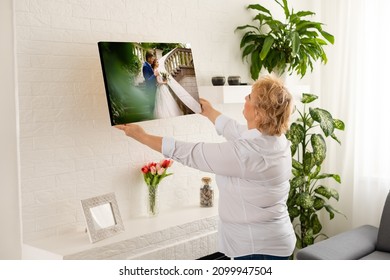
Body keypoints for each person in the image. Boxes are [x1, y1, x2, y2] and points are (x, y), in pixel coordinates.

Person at [116, 75, 296, 260]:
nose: (245, 99)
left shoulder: (249, 153)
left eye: (250, 97)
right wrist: (209, 111)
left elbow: (192, 153)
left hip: (258, 250)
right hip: (270, 241)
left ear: (258, 113)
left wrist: (142, 136)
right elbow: (233, 129)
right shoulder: (273, 139)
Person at [142, 49, 157, 114]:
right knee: (152, 105)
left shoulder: (149, 65)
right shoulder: (145, 66)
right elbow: (147, 80)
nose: (153, 59)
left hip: (153, 88)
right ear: (148, 58)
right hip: (151, 89)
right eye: (152, 58)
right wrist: (154, 75)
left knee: (153, 105)